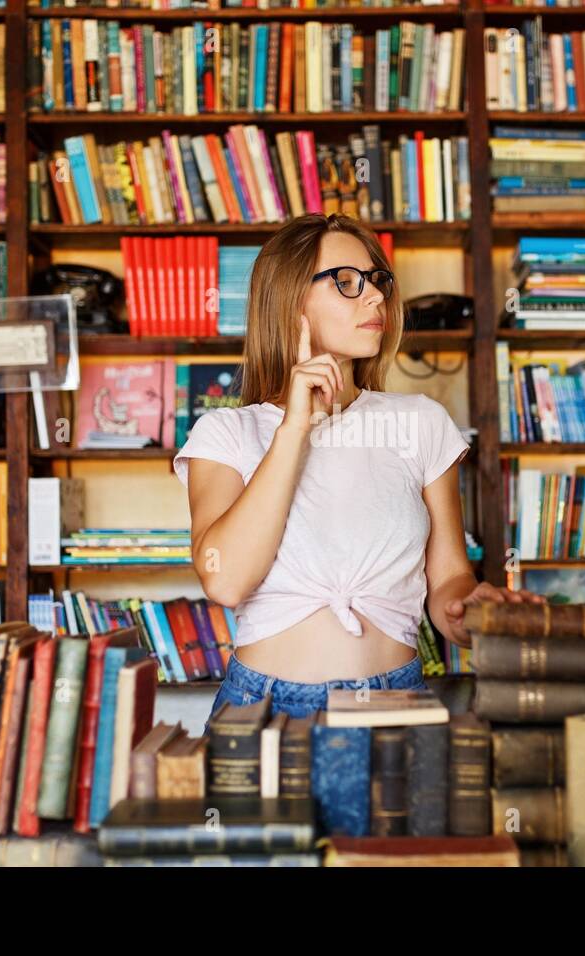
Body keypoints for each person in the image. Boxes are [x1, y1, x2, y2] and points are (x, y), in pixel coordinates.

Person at [172, 213, 544, 730]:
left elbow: (450, 578)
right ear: (288, 298)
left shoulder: (420, 422)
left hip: (399, 702)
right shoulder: (227, 433)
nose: (375, 298)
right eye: (347, 282)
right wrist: (294, 431)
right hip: (265, 708)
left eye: (378, 281)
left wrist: (467, 609)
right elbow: (226, 580)